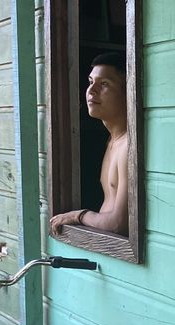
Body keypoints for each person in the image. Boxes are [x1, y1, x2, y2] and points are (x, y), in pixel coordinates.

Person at [50, 52, 129, 236]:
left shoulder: (128, 146)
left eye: (104, 84)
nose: (91, 91)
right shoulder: (112, 140)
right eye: (90, 81)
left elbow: (119, 224)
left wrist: (78, 216)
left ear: (128, 90)